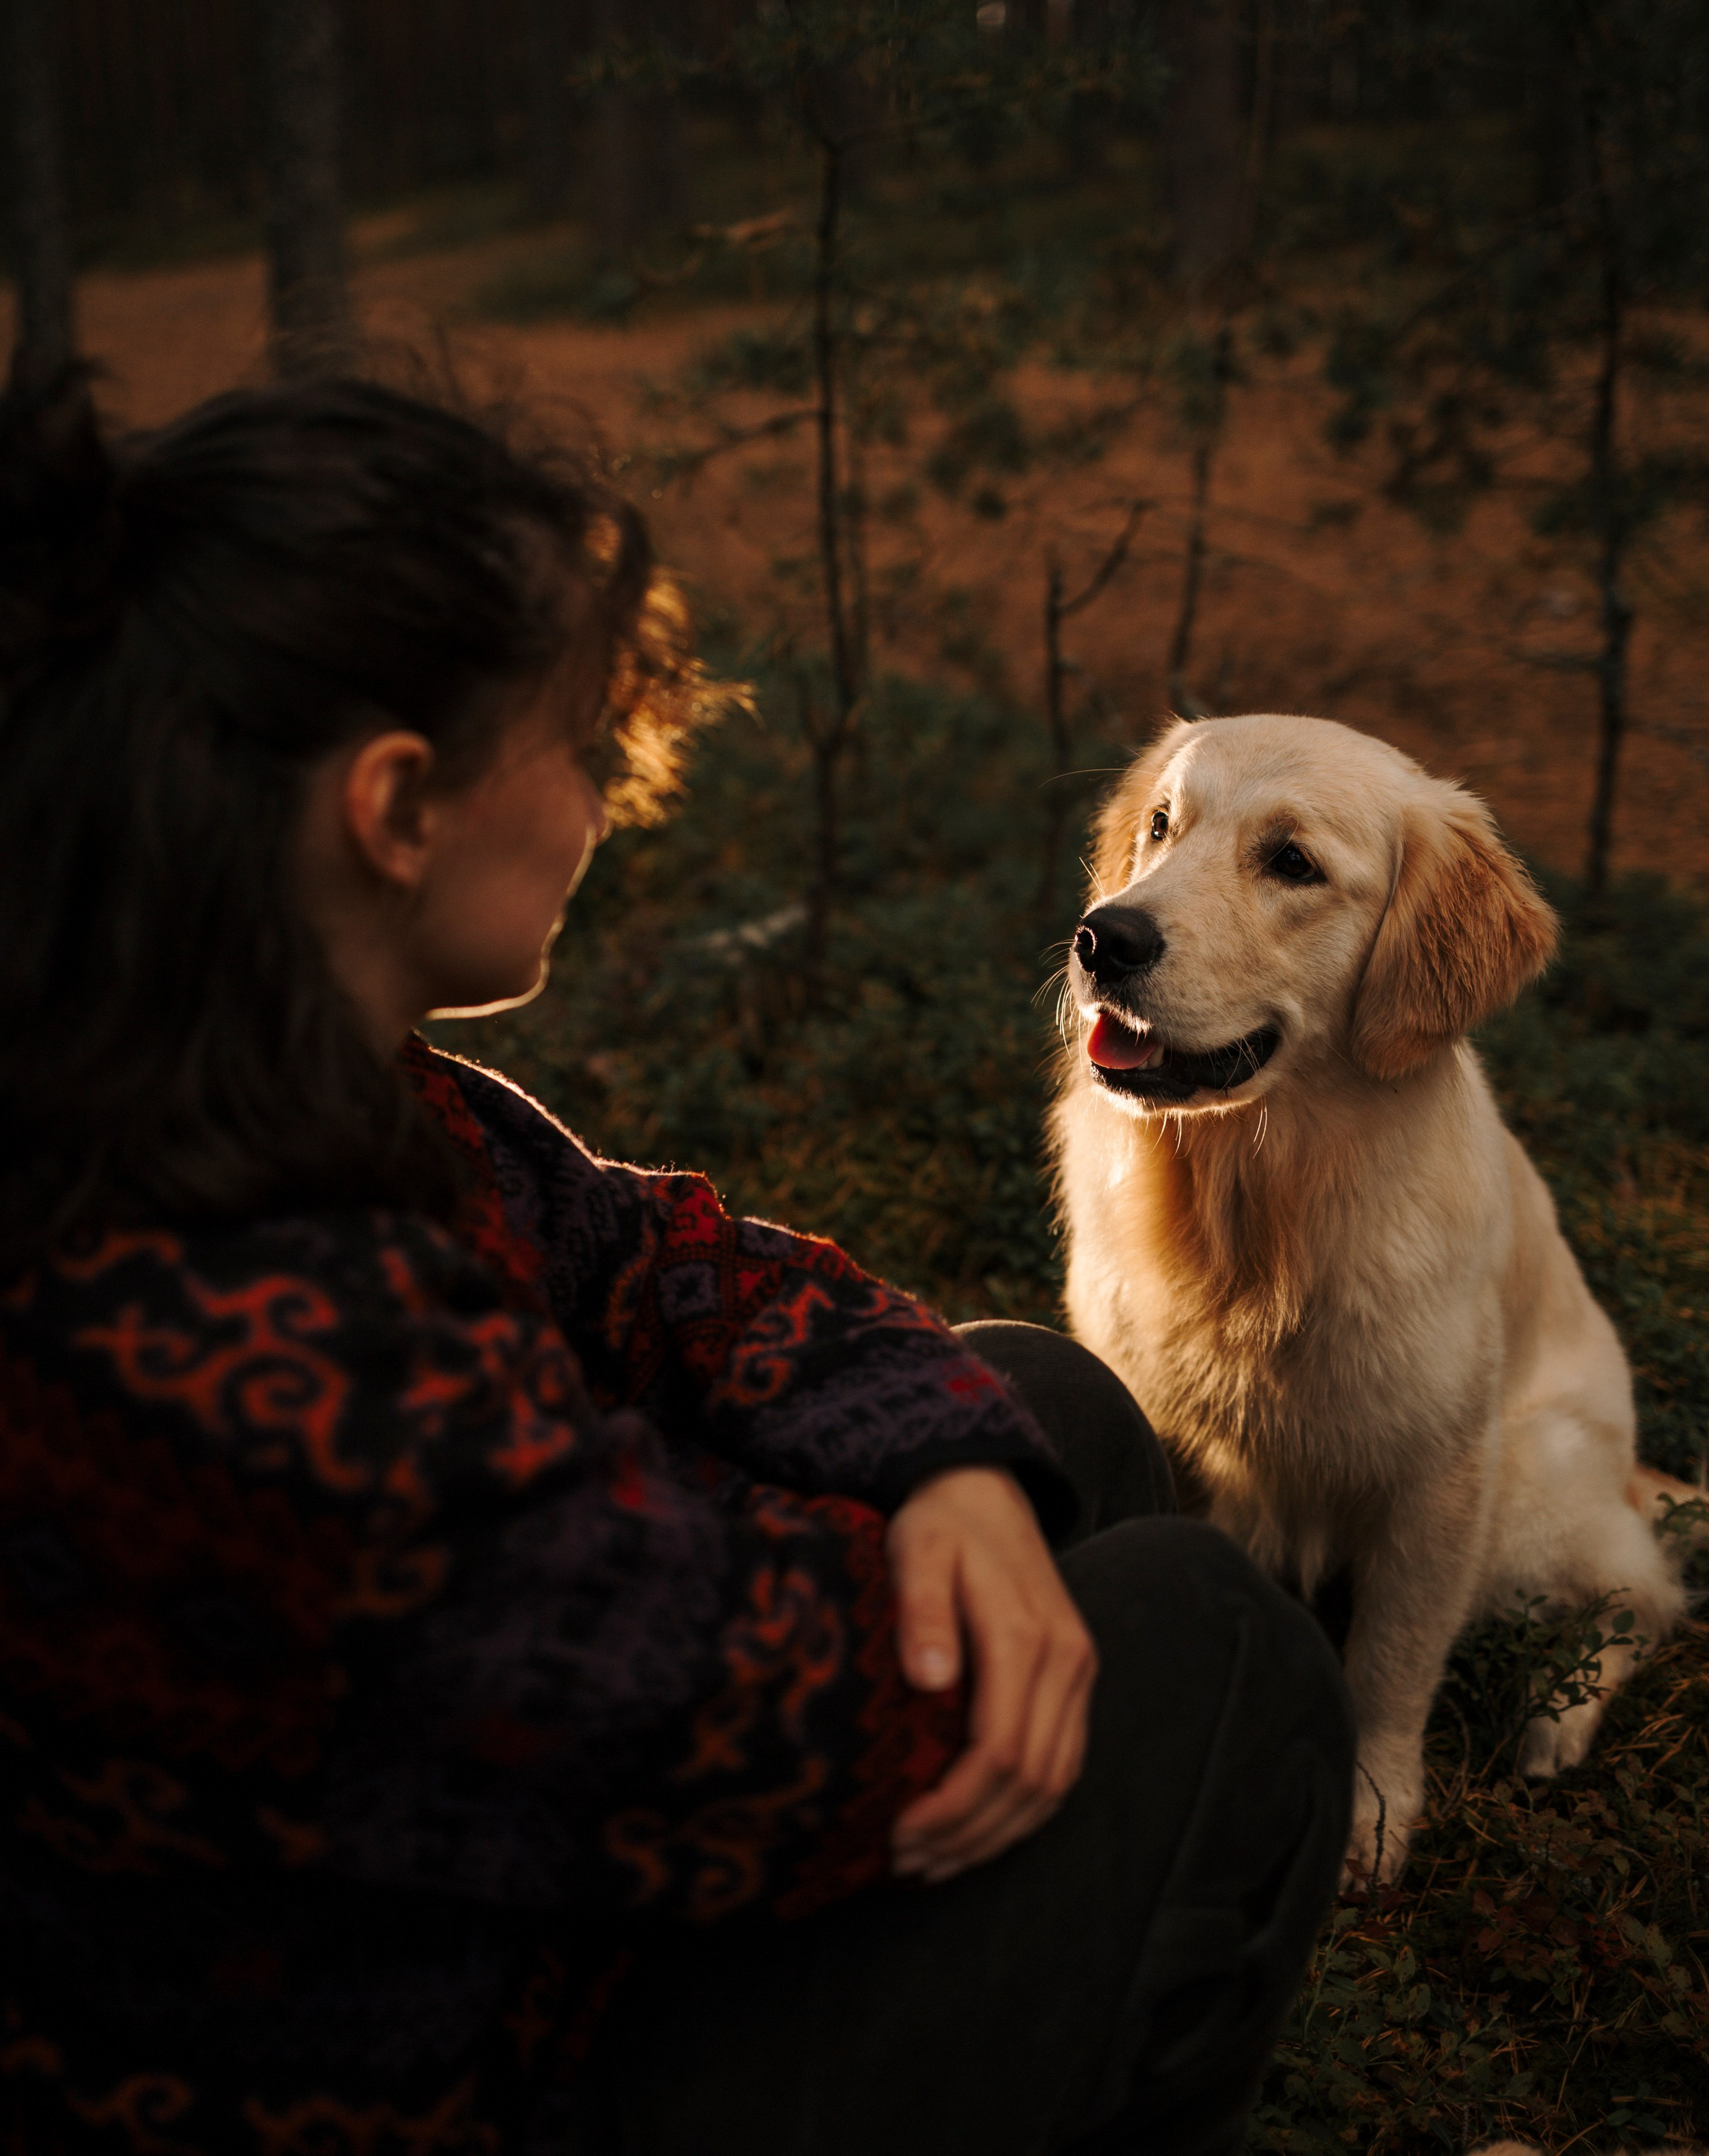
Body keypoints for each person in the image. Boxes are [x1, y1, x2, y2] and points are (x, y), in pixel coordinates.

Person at [0, 364, 1352, 2156]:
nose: (613, 798)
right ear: (397, 806)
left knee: (1027, 1405)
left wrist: (942, 1464)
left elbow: (652, 1249)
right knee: (1218, 1644)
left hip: (488, 1887)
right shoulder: (252, 1360)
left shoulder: (248, 1060)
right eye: (584, 742)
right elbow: (792, 1705)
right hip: (443, 2084)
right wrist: (922, 1559)